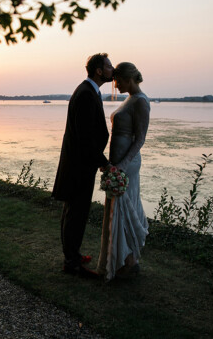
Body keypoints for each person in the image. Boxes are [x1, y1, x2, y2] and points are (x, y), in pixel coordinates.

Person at [52, 53, 114, 278]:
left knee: (73, 212)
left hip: (80, 163)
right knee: (75, 213)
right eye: (109, 66)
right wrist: (104, 163)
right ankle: (72, 264)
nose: (112, 69)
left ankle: (73, 256)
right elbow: (85, 137)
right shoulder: (86, 94)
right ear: (98, 70)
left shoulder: (89, 91)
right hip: (79, 165)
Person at [96, 62, 150, 281]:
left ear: (128, 79)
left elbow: (140, 139)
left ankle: (129, 261)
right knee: (115, 209)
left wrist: (123, 165)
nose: (114, 83)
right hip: (116, 161)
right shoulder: (129, 98)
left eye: (117, 80)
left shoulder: (142, 102)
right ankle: (124, 260)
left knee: (123, 208)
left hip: (127, 164)